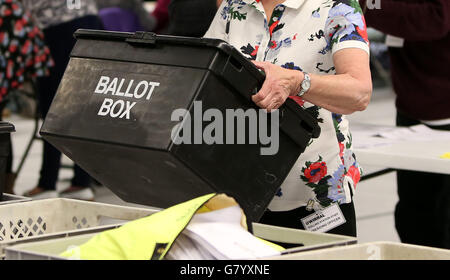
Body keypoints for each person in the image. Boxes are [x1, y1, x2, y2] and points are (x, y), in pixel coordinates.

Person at [205, 0, 372, 239]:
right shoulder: (234, 7)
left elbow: (359, 92)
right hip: (240, 191)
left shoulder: (337, 7)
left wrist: (296, 82)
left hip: (314, 197)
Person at [360, 0, 450, 249]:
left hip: (440, 110)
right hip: (413, 105)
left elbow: (437, 17)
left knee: (436, 220)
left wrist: (368, 6)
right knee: (415, 214)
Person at [21, 0, 103, 200]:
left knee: (53, 108)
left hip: (57, 27)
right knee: (85, 105)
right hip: (90, 23)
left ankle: (48, 182)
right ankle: (82, 182)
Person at [0, 0, 53, 194]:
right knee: (2, 128)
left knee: (1, 129)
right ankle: (6, 187)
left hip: (12, 40)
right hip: (15, 39)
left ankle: (5, 187)